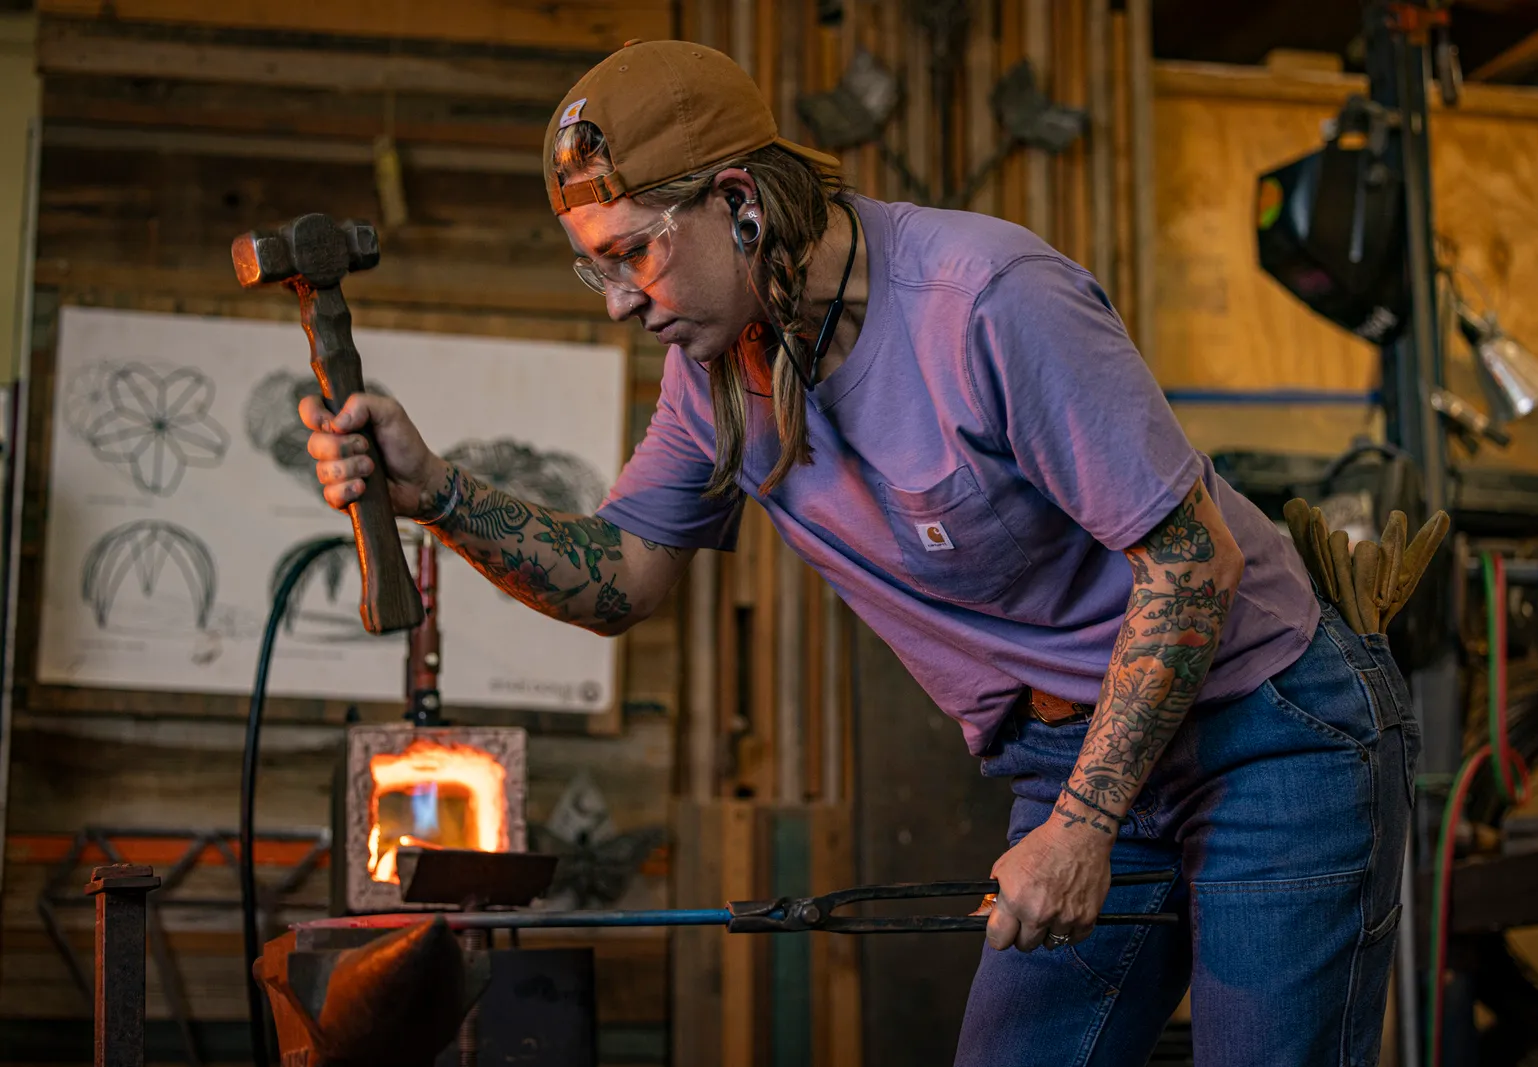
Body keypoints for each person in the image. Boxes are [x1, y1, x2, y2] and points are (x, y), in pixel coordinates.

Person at [302, 40, 1418, 1067]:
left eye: (631, 255)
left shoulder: (985, 302)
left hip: (1264, 729)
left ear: (737, 203)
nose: (617, 305)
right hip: (1078, 755)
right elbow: (622, 575)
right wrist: (434, 491)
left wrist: (1082, 825)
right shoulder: (715, 369)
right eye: (595, 268)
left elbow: (1190, 565)